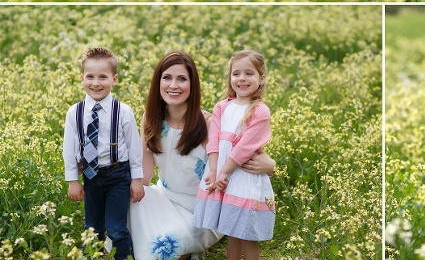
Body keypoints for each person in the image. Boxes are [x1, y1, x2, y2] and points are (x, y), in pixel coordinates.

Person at [128, 51, 275, 260]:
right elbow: (144, 175)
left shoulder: (207, 122)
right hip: (165, 197)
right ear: (158, 82)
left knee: (163, 246)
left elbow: (241, 151)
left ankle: (185, 248)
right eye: (167, 78)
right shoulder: (150, 119)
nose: (173, 85)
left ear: (192, 84)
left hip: (201, 209)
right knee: (128, 201)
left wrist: (271, 166)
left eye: (182, 79)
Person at [63, 47, 145, 260]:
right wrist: (72, 180)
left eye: (103, 77)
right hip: (91, 176)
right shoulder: (75, 112)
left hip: (118, 175)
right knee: (92, 227)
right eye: (90, 77)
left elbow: (134, 147)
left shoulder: (123, 111)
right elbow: (69, 149)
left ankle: (123, 257)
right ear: (81, 78)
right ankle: (92, 256)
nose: (96, 83)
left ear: (114, 79)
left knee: (117, 228)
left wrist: (137, 179)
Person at [194, 49, 275, 260]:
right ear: (230, 78)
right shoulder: (222, 107)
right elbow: (214, 141)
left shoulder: (259, 110)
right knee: (231, 230)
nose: (242, 78)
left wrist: (224, 172)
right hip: (222, 174)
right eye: (236, 73)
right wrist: (214, 170)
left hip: (244, 178)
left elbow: (244, 148)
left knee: (246, 233)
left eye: (249, 73)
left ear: (261, 78)